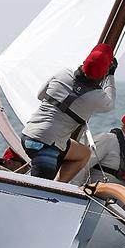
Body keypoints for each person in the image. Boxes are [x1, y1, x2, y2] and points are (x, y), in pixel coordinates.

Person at [21, 43, 116, 182]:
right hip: (47, 147)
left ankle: (57, 187)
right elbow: (111, 104)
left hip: (28, 135)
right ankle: (56, 188)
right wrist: (111, 75)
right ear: (103, 74)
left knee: (83, 154)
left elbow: (40, 95)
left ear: (84, 62)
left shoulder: (63, 73)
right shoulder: (98, 97)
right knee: (39, 191)